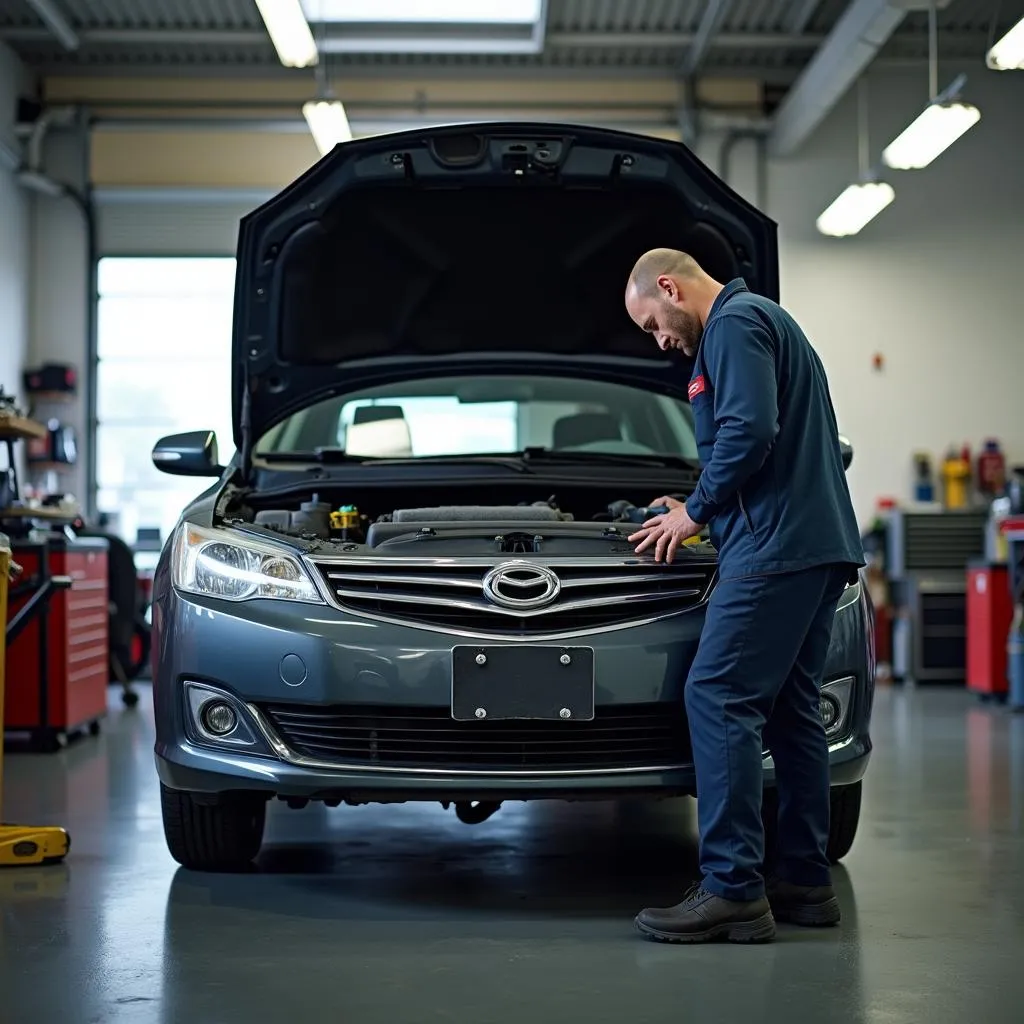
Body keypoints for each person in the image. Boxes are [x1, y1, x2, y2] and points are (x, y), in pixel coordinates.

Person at [622, 249, 864, 944]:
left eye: (652, 325)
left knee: (719, 694)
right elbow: (771, 445)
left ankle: (732, 890)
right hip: (815, 547)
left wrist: (694, 512)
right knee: (792, 713)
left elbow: (751, 431)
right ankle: (804, 881)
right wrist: (697, 505)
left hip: (775, 552)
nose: (661, 342)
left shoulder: (733, 323)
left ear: (669, 287)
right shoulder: (765, 321)